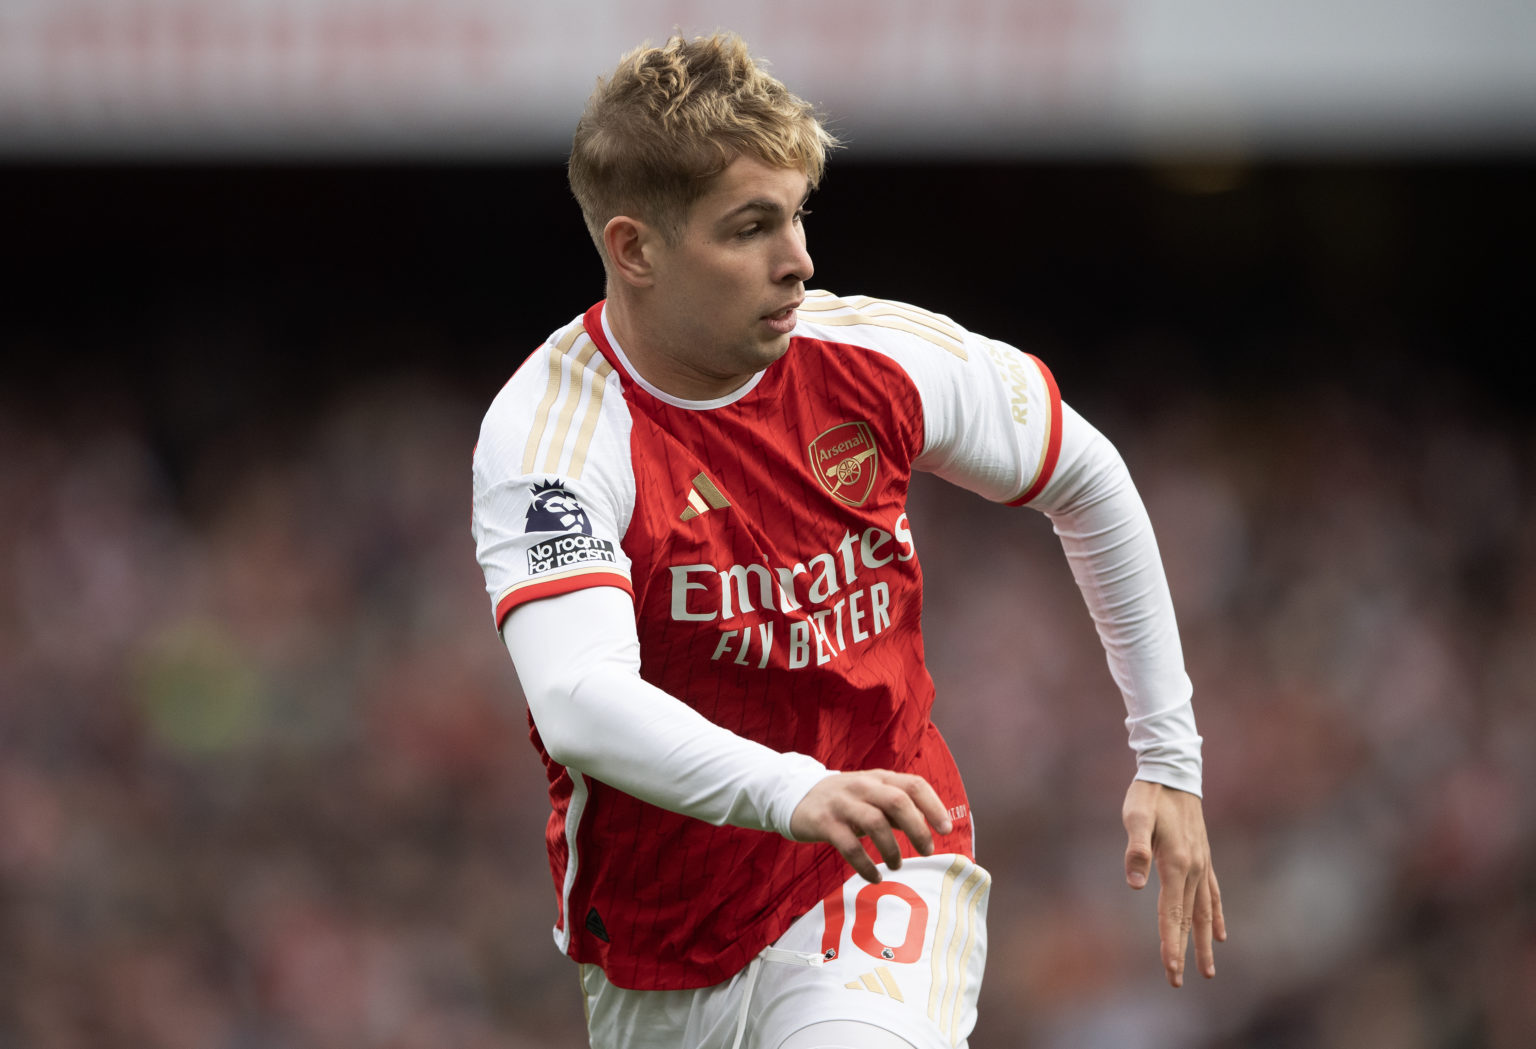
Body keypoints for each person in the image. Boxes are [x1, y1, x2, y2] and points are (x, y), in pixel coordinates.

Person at [471, 31, 1224, 1049]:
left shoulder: (873, 356)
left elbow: (1087, 477)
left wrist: (1167, 754)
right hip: (663, 931)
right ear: (634, 248)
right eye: (751, 228)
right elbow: (579, 702)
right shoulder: (555, 436)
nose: (800, 260)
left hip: (882, 850)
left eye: (797, 216)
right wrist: (794, 788)